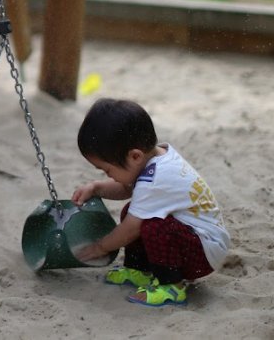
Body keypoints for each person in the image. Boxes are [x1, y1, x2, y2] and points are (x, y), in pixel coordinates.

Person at [70, 98, 230, 307]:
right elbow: (127, 188)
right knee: (134, 211)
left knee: (153, 226)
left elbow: (130, 230)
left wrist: (100, 247)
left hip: (204, 253)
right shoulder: (155, 158)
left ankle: (171, 286)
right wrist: (96, 188)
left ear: (135, 156)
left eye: (107, 170)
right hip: (194, 239)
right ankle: (140, 270)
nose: (108, 175)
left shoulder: (156, 179)